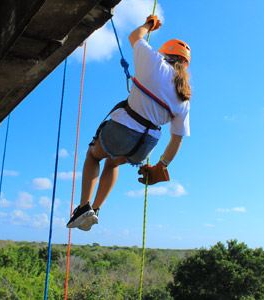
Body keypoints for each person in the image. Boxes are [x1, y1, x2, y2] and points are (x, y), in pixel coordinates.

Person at [67, 15, 191, 231]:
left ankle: (83, 207)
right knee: (113, 162)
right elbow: (176, 140)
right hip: (145, 145)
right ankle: (95, 210)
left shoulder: (155, 62)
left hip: (124, 128)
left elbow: (135, 36)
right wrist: (161, 165)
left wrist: (149, 24)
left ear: (166, 54)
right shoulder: (184, 96)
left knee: (93, 155)